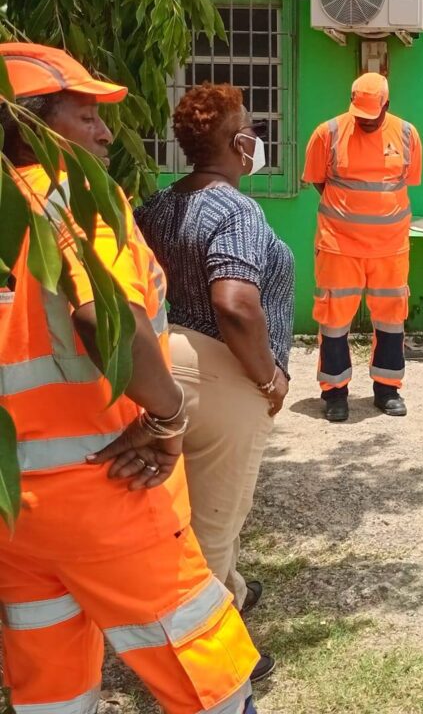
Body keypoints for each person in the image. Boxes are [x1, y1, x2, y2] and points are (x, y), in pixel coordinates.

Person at [0, 44, 259, 714]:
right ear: (30, 125)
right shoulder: (75, 203)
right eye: (84, 115)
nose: (105, 131)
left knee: (51, 691)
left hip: (13, 513)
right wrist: (170, 417)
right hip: (105, 488)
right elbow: (101, 317)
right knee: (211, 682)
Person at [135, 83, 293, 681]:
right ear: (235, 141)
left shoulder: (157, 206)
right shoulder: (234, 208)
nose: (256, 135)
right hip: (221, 375)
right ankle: (218, 660)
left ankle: (233, 592)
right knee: (213, 528)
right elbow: (235, 304)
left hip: (162, 369)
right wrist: (270, 375)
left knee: (184, 513)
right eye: (249, 125)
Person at [303, 72, 423, 423]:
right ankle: (335, 394)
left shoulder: (406, 134)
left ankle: (387, 390)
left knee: (391, 318)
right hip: (339, 247)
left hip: (391, 248)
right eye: (361, 116)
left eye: (374, 116)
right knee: (334, 320)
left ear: (388, 105)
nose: (367, 124)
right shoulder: (328, 133)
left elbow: (405, 182)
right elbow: (318, 181)